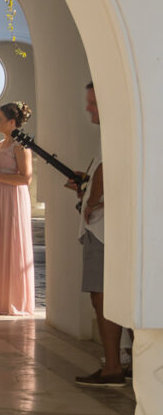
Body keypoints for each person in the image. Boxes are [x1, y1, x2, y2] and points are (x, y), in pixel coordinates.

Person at [68, 82, 124, 386]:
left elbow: (104, 171)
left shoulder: (114, 131)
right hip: (112, 225)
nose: (88, 109)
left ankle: (113, 365)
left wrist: (90, 201)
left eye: (93, 103)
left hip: (102, 228)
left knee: (102, 295)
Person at [0, 101, 36, 315]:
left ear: (12, 122)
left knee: (10, 243)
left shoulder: (20, 146)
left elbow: (25, 178)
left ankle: (14, 299)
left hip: (12, 198)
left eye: (0, 119)